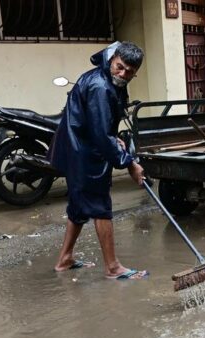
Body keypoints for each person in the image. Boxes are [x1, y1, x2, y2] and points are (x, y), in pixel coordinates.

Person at [49, 41, 148, 280]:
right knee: (99, 206)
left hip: (79, 148)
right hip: (84, 153)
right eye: (119, 67)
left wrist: (114, 138)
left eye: (129, 72)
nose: (122, 74)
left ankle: (64, 259)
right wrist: (129, 163)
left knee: (78, 206)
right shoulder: (100, 86)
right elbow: (101, 135)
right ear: (112, 59)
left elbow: (102, 127)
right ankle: (113, 267)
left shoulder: (106, 79)